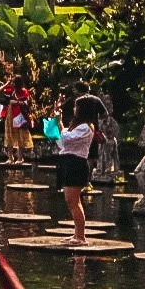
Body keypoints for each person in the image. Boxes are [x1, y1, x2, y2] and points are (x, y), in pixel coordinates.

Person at [55, 93, 102, 246]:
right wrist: (59, 121)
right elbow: (63, 142)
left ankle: (81, 237)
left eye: (77, 107)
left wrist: (60, 125)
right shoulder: (77, 126)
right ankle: (77, 233)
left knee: (73, 201)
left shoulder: (86, 127)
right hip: (69, 162)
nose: (74, 109)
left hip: (77, 164)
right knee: (71, 201)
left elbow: (67, 138)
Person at [0, 73, 33, 166]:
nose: (12, 83)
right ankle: (10, 157)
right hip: (10, 115)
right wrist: (6, 84)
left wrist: (15, 102)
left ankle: (20, 157)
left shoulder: (24, 91)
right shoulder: (10, 90)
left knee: (20, 137)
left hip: (19, 115)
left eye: (13, 82)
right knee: (9, 136)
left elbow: (26, 103)